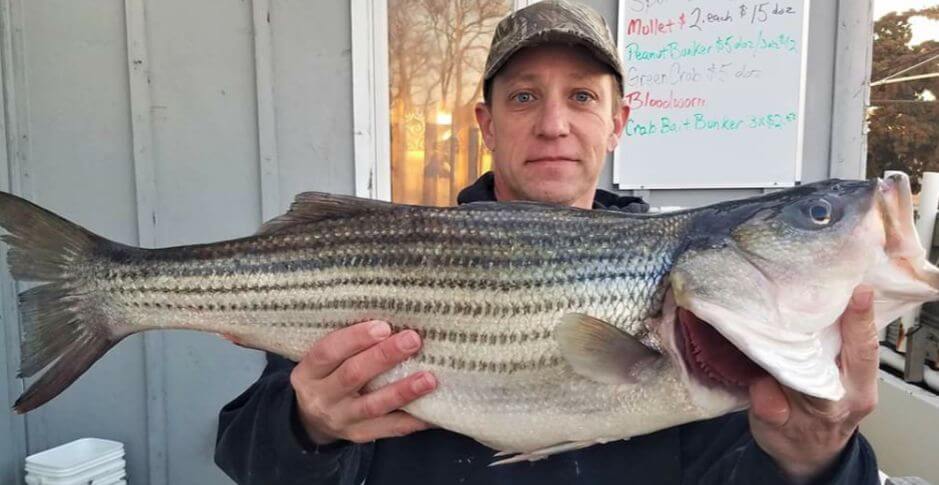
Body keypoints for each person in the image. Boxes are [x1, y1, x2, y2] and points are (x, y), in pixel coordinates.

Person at [215, 1, 880, 483]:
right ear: (487, 122)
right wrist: (309, 427)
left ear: (618, 122)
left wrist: (816, 461)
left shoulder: (706, 303)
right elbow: (243, 451)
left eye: (582, 98)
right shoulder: (385, 261)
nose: (554, 124)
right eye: (525, 97)